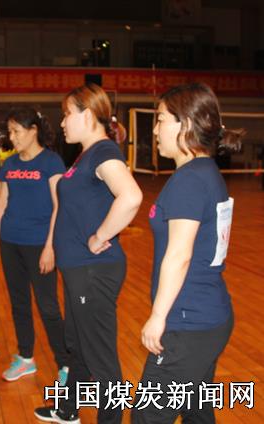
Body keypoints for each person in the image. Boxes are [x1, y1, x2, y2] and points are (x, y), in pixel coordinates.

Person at [131, 83, 242, 423]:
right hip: (208, 316)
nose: (155, 129)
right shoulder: (204, 172)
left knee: (147, 417)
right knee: (196, 412)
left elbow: (179, 255)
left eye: (161, 119)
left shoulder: (190, 180)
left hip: (188, 323)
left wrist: (158, 317)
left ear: (187, 124)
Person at [35, 83, 143, 424]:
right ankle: (67, 408)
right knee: (77, 344)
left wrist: (100, 236)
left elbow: (131, 196)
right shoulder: (86, 155)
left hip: (93, 271)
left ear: (87, 115)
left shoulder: (103, 152)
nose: (62, 122)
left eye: (66, 114)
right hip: (79, 271)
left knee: (101, 359)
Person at [0, 108, 69, 384]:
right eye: (10, 131)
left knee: (48, 307)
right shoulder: (9, 164)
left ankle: (66, 363)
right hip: (11, 243)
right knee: (19, 303)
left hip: (39, 244)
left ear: (33, 130)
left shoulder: (51, 162)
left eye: (16, 131)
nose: (12, 137)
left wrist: (50, 247)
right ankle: (25, 358)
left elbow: (59, 206)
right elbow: (1, 205)